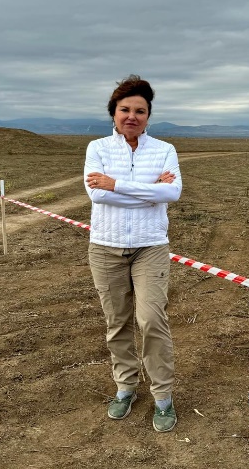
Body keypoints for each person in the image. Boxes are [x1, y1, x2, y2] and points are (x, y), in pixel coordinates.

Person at [84, 74, 182, 433]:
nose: (132, 116)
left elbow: (172, 195)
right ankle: (125, 387)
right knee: (117, 321)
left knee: (152, 321)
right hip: (106, 247)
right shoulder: (97, 149)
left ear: (148, 115)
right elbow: (98, 195)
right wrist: (150, 189)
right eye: (125, 109)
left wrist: (118, 184)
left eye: (140, 110)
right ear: (113, 113)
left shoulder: (164, 150)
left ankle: (163, 397)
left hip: (150, 247)